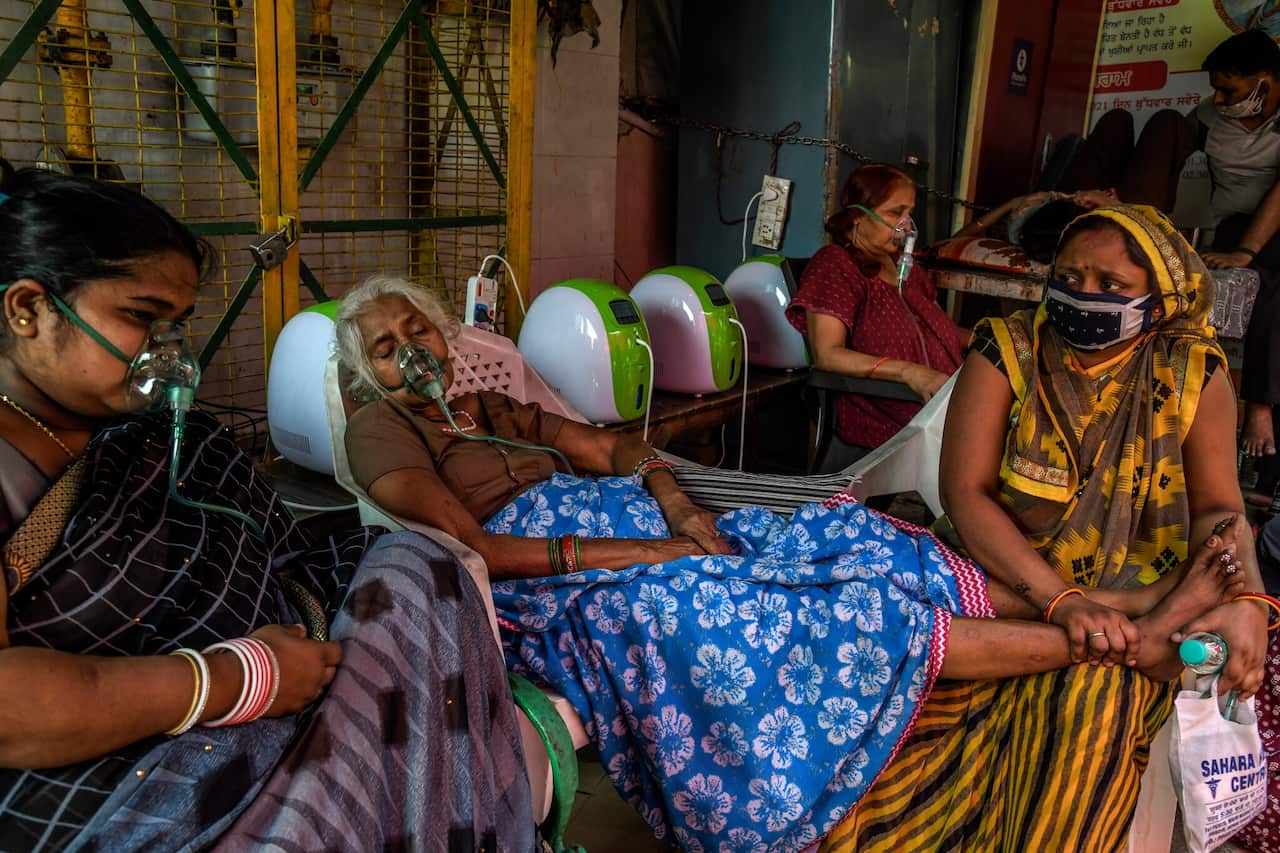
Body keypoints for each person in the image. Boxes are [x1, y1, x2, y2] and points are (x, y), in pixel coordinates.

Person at [337, 270, 1251, 852]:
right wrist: (657, 544)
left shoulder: (481, 407)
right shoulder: (385, 429)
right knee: (804, 614)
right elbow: (484, 549)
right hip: (561, 573)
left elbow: (610, 447)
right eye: (387, 345)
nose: (413, 352)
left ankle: (1103, 601)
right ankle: (1119, 639)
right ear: (361, 371)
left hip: (634, 521)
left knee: (856, 538)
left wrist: (675, 495)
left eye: (418, 330)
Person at [0, 163, 537, 851]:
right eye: (141, 317)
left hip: (284, 668)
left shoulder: (168, 442)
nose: (171, 351)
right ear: (28, 308)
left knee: (419, 563)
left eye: (179, 323)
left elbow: (279, 551)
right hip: (131, 764)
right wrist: (238, 677)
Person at [821, 205, 1271, 852]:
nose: (1082, 294)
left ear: (1159, 294)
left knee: (1094, 708)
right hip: (1001, 580)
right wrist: (1062, 601)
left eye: (1110, 285)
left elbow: (1220, 509)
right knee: (891, 690)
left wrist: (1249, 598)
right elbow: (966, 494)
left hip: (1133, 588)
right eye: (1069, 275)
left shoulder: (1192, 373)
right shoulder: (1008, 347)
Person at [785, 163, 967, 452]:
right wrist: (910, 372)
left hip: (945, 400)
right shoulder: (836, 265)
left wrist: (992, 341)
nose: (906, 226)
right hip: (894, 412)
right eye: (895, 213)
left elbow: (935, 330)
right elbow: (828, 355)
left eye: (909, 213)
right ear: (858, 216)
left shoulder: (906, 270)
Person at [1190, 29, 1280, 463]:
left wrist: (1245, 253)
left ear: (1265, 79)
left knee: (1269, 282)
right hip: (1233, 228)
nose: (1222, 100)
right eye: (1217, 91)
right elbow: (1167, 159)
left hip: (1266, 237)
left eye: (1230, 89)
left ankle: (1259, 405)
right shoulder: (1207, 118)